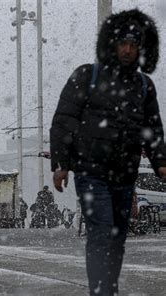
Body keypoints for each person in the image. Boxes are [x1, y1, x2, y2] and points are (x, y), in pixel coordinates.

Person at [50, 9, 166, 295]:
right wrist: (61, 163)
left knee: (116, 238)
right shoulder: (86, 76)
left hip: (125, 178)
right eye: (122, 42)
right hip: (91, 174)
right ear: (111, 43)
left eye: (133, 43)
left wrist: (161, 162)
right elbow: (64, 120)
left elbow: (153, 130)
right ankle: (101, 291)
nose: (127, 49)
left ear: (141, 47)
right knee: (101, 234)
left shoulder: (143, 86)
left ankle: (108, 288)